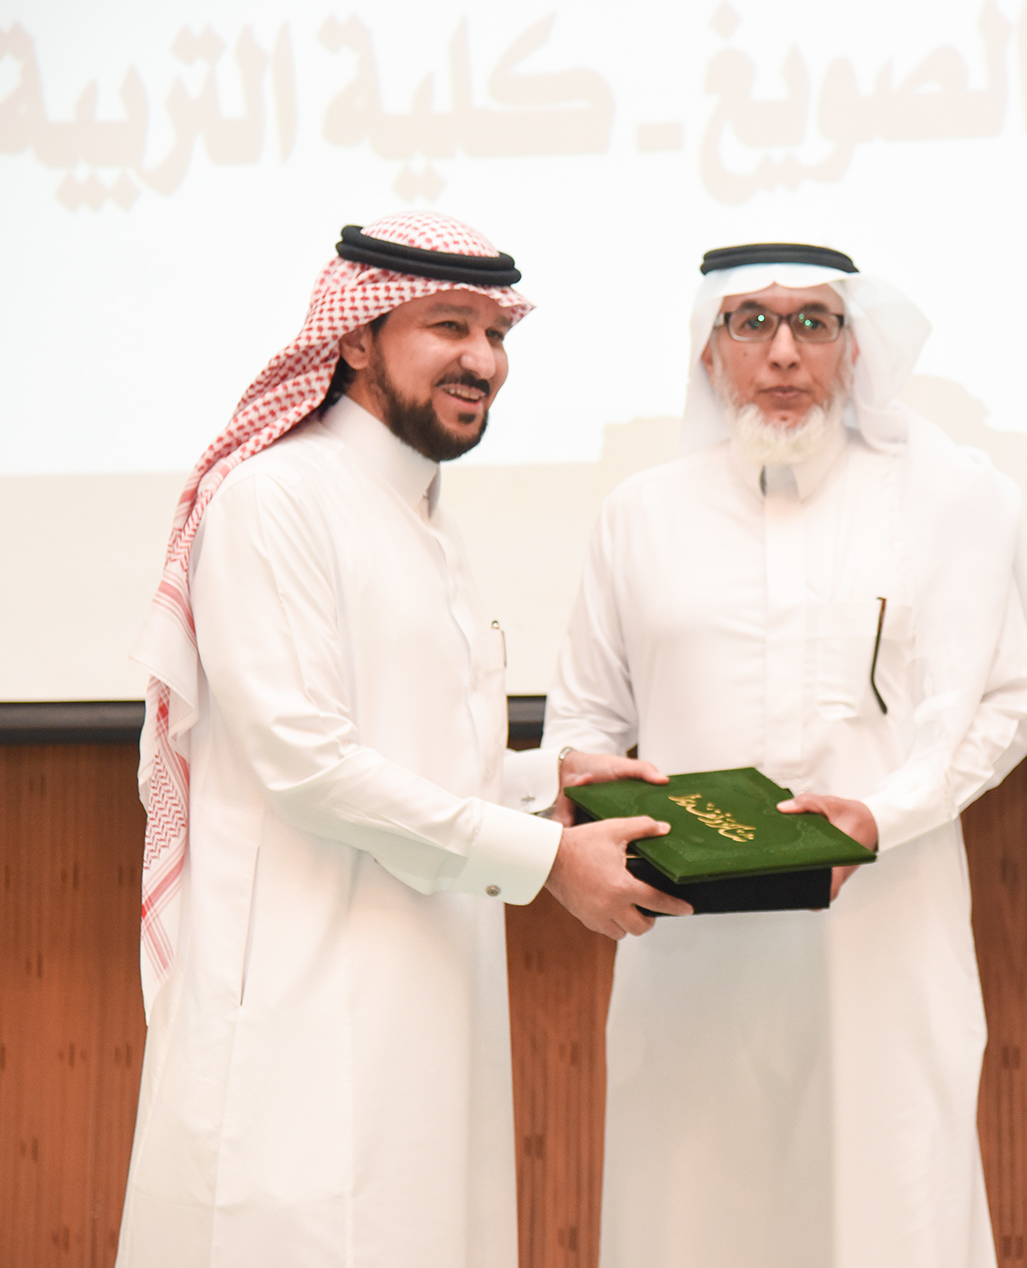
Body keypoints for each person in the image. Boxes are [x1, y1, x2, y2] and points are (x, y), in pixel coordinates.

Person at [119, 212, 690, 1268]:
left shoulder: (425, 518)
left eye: (496, 333)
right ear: (352, 336)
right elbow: (310, 764)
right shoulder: (274, 499)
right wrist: (546, 859)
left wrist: (549, 783)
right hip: (302, 1014)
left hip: (423, 1004)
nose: (484, 360)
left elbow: (418, 754)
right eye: (448, 326)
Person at [542, 242, 1027, 1268]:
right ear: (709, 351)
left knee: (887, 1207)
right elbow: (581, 722)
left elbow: (1001, 704)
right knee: (699, 1215)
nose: (784, 352)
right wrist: (583, 826)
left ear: (854, 348)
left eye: (813, 322)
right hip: (692, 955)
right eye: (753, 322)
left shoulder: (941, 506)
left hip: (883, 937)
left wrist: (887, 814)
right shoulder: (639, 514)